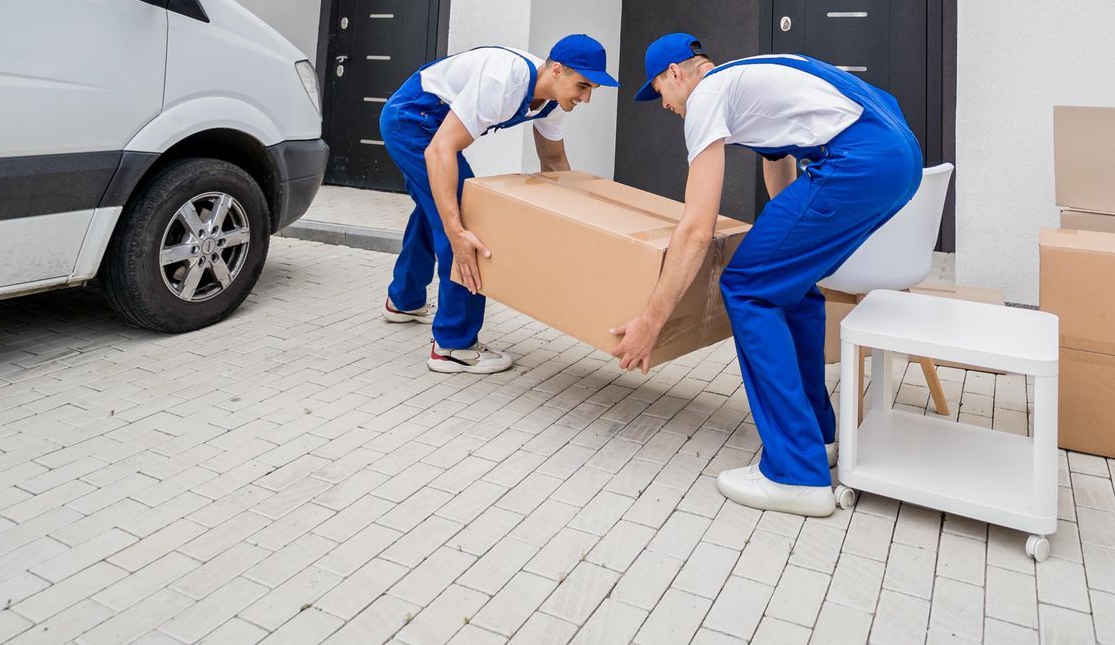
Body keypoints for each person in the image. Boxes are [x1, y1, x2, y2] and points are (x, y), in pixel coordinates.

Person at [610, 33, 922, 516]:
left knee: (747, 287)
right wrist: (785, 246)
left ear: (675, 73)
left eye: (659, 93)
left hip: (857, 161)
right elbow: (781, 164)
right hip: (896, 156)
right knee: (787, 286)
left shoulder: (707, 96)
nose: (665, 106)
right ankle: (817, 439)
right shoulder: (753, 79)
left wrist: (652, 322)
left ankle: (795, 474)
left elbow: (697, 226)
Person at [380, 34, 619, 373]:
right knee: (467, 222)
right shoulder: (502, 81)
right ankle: (452, 345)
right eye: (583, 86)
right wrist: (458, 231)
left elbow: (553, 163)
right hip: (410, 121)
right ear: (556, 70)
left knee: (434, 204)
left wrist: (580, 221)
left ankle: (404, 301)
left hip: (433, 129)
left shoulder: (552, 102)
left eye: (592, 89)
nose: (587, 98)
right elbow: (439, 151)